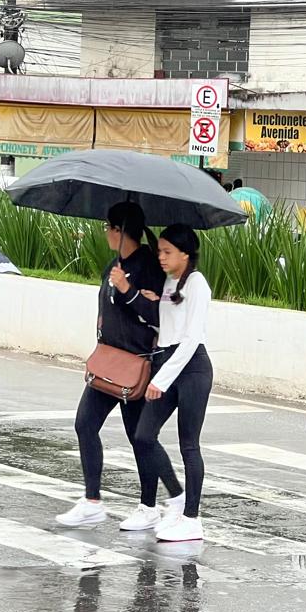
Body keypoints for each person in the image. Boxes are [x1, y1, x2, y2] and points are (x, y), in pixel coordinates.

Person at [56, 202, 184, 529]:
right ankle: (92, 500)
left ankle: (161, 501)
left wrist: (128, 292)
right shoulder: (113, 265)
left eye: (107, 228)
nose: (106, 234)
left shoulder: (148, 266)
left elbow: (158, 316)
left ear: (120, 230)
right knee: (85, 424)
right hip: (108, 361)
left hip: (136, 365)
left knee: (141, 438)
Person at [132, 224, 213, 543]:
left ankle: (192, 519)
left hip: (192, 369)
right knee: (143, 435)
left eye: (167, 252)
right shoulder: (169, 283)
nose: (161, 257)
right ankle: (176, 498)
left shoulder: (197, 284)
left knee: (188, 445)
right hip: (166, 361)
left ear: (185, 253)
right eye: (159, 251)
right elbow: (167, 326)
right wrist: (149, 301)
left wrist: (161, 381)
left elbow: (191, 338)